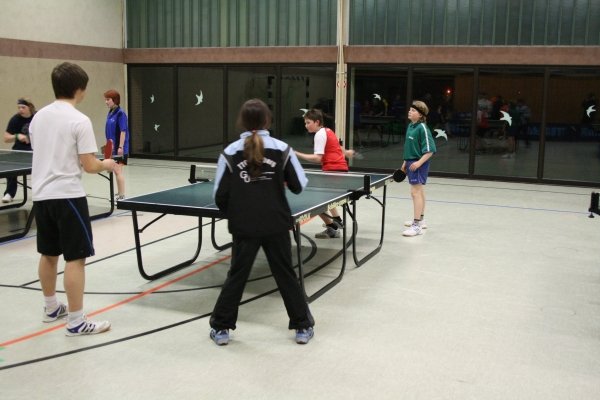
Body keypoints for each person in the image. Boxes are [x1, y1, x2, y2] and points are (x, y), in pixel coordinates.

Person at [209, 98, 315, 345]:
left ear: (242, 122)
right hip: (275, 222)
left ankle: (221, 329)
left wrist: (238, 212)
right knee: (285, 274)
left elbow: (219, 196)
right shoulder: (282, 148)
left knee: (237, 275)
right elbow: (299, 185)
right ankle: (302, 326)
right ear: (267, 120)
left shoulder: (230, 152)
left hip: (244, 225)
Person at [29, 62, 119, 336]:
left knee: (48, 254)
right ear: (80, 89)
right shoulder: (79, 120)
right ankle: (76, 321)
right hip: (68, 196)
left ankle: (51, 308)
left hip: (41, 196)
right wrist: (107, 164)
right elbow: (89, 165)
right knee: (76, 258)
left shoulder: (38, 118)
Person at [295, 109, 355, 239]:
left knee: (314, 202)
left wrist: (297, 154)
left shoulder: (319, 135)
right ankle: (337, 220)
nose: (306, 125)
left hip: (333, 171)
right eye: (305, 123)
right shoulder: (328, 131)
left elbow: (318, 158)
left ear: (317, 122)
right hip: (339, 169)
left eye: (308, 122)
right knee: (326, 199)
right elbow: (337, 147)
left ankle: (332, 228)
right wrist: (346, 152)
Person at [401, 100, 436, 237]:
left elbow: (430, 150)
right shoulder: (411, 126)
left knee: (415, 192)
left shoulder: (423, 128)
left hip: (418, 164)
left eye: (413, 110)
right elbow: (409, 147)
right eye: (410, 109)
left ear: (420, 115)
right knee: (419, 191)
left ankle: (416, 226)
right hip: (410, 162)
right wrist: (405, 162)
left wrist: (418, 163)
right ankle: (421, 220)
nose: (410, 111)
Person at [3, 98, 36, 203]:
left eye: (23, 107)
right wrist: (17, 136)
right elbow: (6, 138)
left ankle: (40, 193)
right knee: (10, 169)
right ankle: (9, 193)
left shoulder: (37, 117)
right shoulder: (15, 119)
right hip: (19, 151)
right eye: (19, 107)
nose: (20, 109)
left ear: (30, 107)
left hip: (35, 150)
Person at [104, 89, 129, 200]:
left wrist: (120, 147)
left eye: (108, 99)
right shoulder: (110, 113)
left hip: (120, 148)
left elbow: (123, 131)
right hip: (112, 148)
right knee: (115, 171)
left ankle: (122, 196)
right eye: (105, 99)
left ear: (114, 100)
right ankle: (119, 193)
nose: (106, 102)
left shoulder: (120, 113)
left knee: (118, 170)